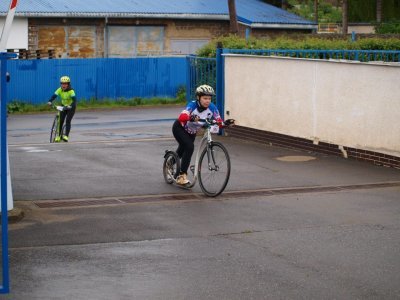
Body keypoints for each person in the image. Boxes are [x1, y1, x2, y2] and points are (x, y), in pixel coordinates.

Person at [172, 84, 234, 185]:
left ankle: (171, 163)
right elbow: (182, 117)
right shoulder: (192, 105)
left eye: (209, 98)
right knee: (189, 147)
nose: (207, 101)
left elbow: (218, 121)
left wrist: (225, 123)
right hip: (180, 128)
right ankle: (182, 175)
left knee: (182, 150)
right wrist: (190, 117)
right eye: (205, 98)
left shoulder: (212, 108)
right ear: (198, 98)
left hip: (191, 132)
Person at [47, 76, 77, 142]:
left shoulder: (71, 91)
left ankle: (66, 136)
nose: (63, 85)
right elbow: (54, 95)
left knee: (68, 121)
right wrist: (50, 101)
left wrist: (70, 106)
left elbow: (74, 100)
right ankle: (58, 136)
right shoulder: (59, 89)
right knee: (60, 121)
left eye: (65, 84)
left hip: (71, 107)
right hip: (63, 106)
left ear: (68, 84)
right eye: (62, 83)